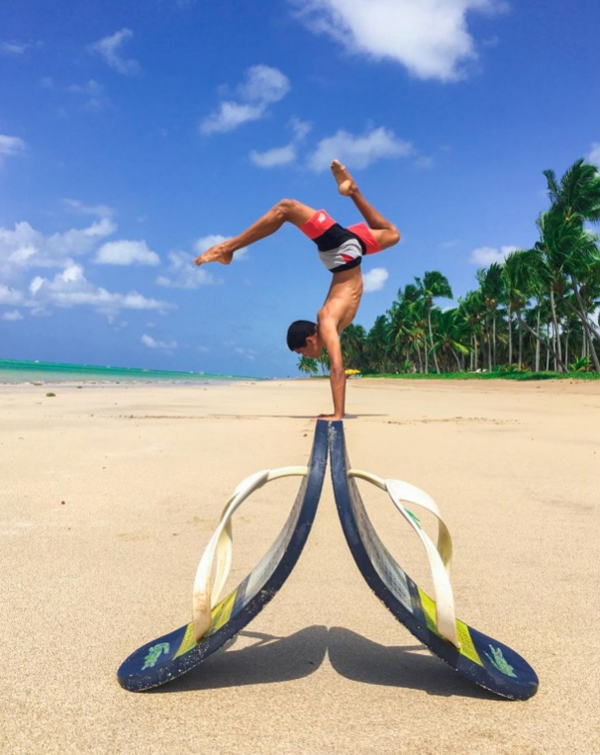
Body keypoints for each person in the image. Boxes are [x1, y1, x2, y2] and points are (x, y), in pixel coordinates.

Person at [194, 160, 400, 419]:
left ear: (311, 340)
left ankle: (226, 249)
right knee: (392, 234)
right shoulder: (328, 321)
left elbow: (338, 367)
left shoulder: (326, 321)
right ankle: (353, 191)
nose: (307, 357)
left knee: (286, 208)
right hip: (348, 253)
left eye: (302, 351)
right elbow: (337, 365)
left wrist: (338, 415)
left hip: (343, 254)